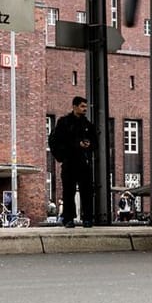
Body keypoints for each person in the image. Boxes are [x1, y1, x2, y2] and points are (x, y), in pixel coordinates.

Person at [50, 95, 97, 228]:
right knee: (68, 191)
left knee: (87, 191)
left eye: (86, 107)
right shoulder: (64, 123)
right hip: (69, 161)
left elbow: (95, 143)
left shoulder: (88, 125)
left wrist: (89, 146)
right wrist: (63, 155)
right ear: (74, 106)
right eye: (82, 106)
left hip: (84, 162)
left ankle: (88, 218)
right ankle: (68, 218)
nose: (85, 109)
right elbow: (55, 140)